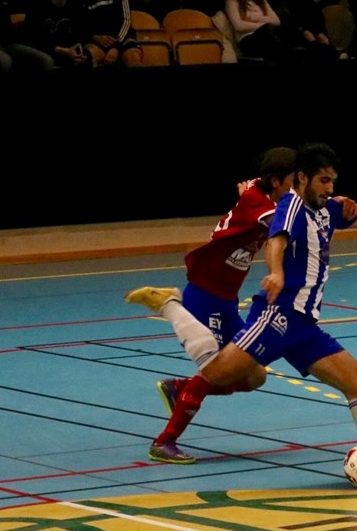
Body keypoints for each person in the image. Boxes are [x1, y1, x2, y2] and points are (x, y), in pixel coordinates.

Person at [126, 142, 357, 484]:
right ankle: (169, 306)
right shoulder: (290, 207)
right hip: (277, 318)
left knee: (356, 380)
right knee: (215, 373)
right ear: (302, 179)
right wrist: (276, 272)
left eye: (333, 181)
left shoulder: (326, 208)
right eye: (323, 181)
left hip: (304, 325)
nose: (330, 188)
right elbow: (276, 240)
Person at [125, 147, 303, 435]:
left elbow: (254, 187)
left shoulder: (260, 192)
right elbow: (282, 226)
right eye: (295, 181)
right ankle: (164, 442)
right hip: (204, 295)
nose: (298, 189)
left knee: (255, 375)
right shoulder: (260, 205)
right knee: (215, 370)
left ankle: (181, 389)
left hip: (227, 302)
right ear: (275, 181)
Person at [72, 0, 142, 67]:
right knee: (88, 57)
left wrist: (116, 46)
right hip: (96, 40)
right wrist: (93, 37)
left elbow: (126, 20)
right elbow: (77, 25)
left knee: (133, 57)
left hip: (122, 38)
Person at [223, 0, 296, 64]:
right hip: (247, 41)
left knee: (285, 50)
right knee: (269, 31)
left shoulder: (261, 0)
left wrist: (255, 18)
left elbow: (276, 21)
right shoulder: (232, 1)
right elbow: (239, 26)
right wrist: (263, 25)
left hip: (267, 39)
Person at [17, 0, 86, 68]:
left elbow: (78, 34)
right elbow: (32, 38)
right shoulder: (38, 6)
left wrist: (78, 47)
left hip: (66, 50)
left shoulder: (76, 8)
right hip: (41, 49)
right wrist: (62, 50)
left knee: (85, 58)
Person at [268, 0, 337, 63]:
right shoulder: (273, 0)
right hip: (289, 36)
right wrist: (305, 33)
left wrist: (319, 32)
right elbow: (282, 24)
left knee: (325, 43)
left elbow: (317, 17)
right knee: (320, 49)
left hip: (310, 32)